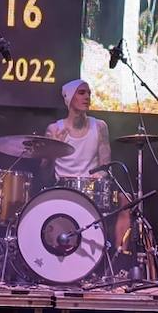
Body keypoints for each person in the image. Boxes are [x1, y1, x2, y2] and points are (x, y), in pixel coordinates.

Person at [46, 79, 127, 251]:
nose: (87, 97)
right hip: (64, 189)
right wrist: (53, 148)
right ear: (69, 98)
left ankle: (122, 257)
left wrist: (100, 175)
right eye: (81, 93)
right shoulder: (54, 129)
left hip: (92, 188)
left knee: (126, 199)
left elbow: (106, 165)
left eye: (89, 93)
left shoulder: (99, 126)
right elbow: (43, 167)